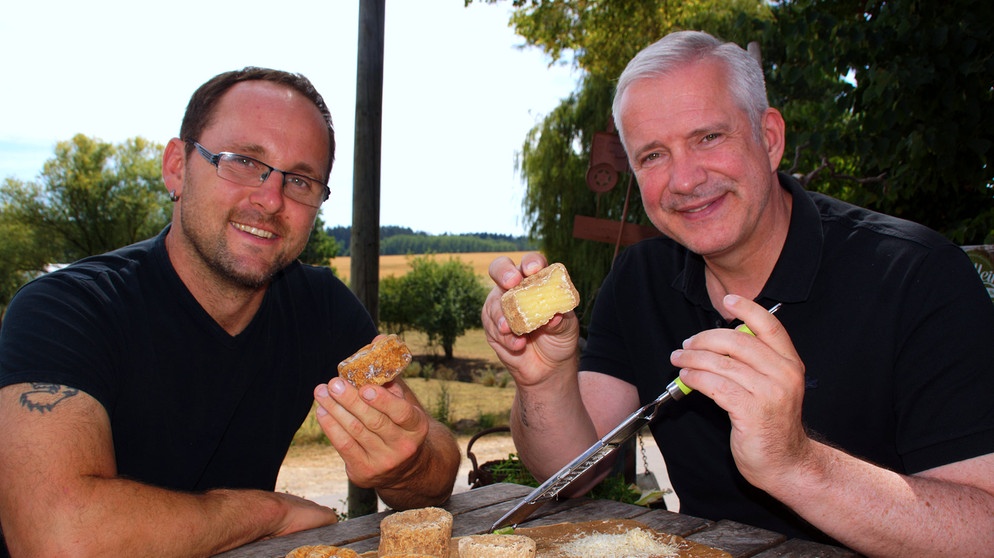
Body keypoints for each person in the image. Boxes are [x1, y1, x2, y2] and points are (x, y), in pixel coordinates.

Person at [483, 31, 994, 555]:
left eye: (708, 137)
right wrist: (542, 381)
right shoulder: (639, 277)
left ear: (769, 138)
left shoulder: (918, 275)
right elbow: (571, 474)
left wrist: (797, 464)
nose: (684, 179)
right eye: (654, 155)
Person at [0, 67, 460, 557]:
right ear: (177, 167)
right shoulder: (66, 310)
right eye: (242, 160)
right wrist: (269, 513)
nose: (270, 199)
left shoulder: (322, 307)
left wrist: (407, 464)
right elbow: (58, 539)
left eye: (301, 180)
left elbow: (435, 473)